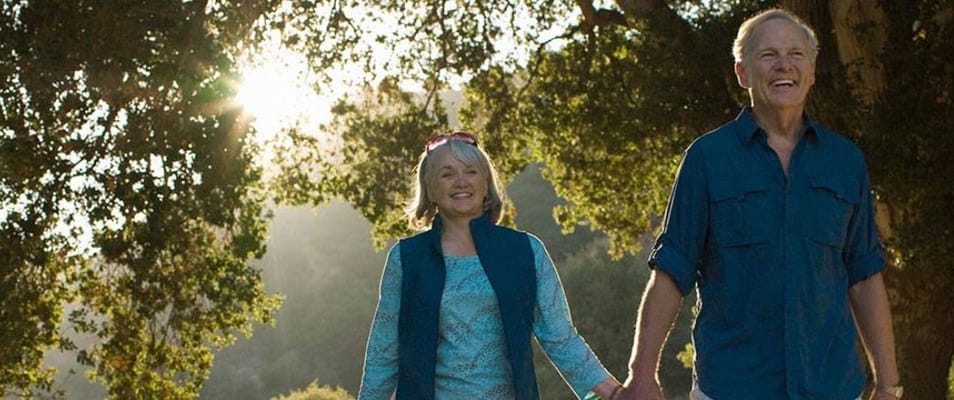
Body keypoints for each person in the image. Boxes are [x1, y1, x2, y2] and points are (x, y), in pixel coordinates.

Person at [619, 8, 901, 400]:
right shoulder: (707, 159)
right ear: (743, 73)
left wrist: (888, 385)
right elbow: (671, 270)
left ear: (813, 69)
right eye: (768, 55)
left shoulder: (846, 162)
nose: (784, 65)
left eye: (796, 54)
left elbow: (865, 276)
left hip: (831, 388)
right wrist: (642, 373)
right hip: (730, 387)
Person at [358, 131, 623, 400]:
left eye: (471, 171)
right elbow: (384, 351)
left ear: (486, 182)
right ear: (430, 188)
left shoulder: (526, 251)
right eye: (447, 174)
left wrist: (615, 394)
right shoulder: (406, 258)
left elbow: (560, 338)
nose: (461, 181)